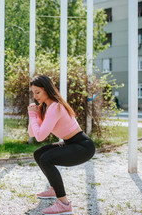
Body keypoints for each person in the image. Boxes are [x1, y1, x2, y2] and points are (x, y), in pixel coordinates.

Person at [28, 75, 96, 215]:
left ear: (46, 89)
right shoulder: (45, 107)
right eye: (33, 93)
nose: (35, 96)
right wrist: (34, 115)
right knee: (39, 154)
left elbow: (40, 136)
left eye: (38, 92)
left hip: (83, 146)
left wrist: (32, 115)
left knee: (46, 159)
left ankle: (64, 204)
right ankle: (54, 189)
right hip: (70, 143)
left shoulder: (56, 107)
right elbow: (32, 133)